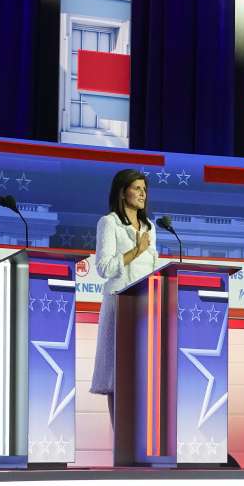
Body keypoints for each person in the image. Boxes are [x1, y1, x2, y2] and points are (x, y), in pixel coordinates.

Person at [89, 169, 159, 422]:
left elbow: (153, 267)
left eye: (145, 189)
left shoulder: (150, 227)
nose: (142, 193)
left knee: (143, 373)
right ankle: (121, 439)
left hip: (145, 307)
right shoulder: (109, 223)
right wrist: (137, 251)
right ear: (122, 192)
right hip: (120, 304)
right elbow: (104, 267)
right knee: (117, 374)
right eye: (137, 188)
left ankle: (140, 437)